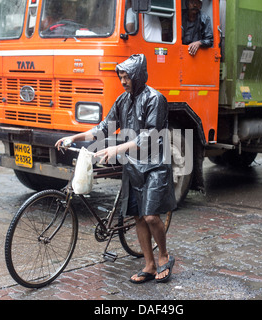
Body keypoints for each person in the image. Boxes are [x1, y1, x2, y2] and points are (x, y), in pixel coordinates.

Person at [55, 54, 177, 283]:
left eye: (127, 76)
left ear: (138, 76)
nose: (123, 81)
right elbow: (103, 128)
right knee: (138, 217)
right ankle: (149, 265)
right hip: (133, 166)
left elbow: (150, 135)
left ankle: (163, 256)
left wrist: (118, 149)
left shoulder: (155, 99)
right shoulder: (123, 100)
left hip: (154, 165)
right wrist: (75, 137)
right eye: (120, 76)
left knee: (151, 216)